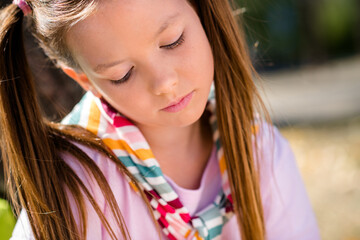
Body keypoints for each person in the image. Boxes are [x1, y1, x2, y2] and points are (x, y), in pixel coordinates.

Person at [0, 0, 320, 239]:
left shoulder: (262, 152)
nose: (164, 83)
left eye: (172, 41)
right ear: (84, 80)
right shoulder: (76, 188)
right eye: (122, 75)